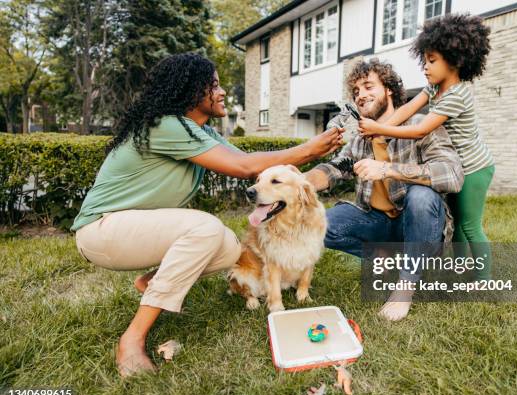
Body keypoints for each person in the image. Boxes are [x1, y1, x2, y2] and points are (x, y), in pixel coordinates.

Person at [71, 53, 343, 377]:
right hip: (101, 231)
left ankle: (153, 283)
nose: (222, 91)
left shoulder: (202, 132)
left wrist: (305, 174)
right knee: (207, 228)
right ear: (190, 90)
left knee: (229, 248)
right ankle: (131, 340)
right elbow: (246, 167)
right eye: (213, 85)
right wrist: (308, 149)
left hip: (129, 231)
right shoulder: (165, 125)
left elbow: (251, 166)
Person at [305, 58, 464, 321]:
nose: (361, 96)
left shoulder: (420, 125)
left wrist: (388, 169)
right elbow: (333, 169)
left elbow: (452, 174)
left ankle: (406, 286)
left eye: (368, 87)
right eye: (356, 91)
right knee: (319, 223)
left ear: (389, 89)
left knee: (421, 196)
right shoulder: (361, 138)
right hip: (378, 221)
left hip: (419, 224)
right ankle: (384, 255)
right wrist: (296, 183)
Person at [358, 14, 495, 281]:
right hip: (454, 166)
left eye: (432, 60)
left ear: (455, 60)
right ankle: (460, 268)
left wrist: (379, 129)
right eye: (425, 60)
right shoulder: (434, 88)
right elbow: (408, 108)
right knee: (455, 224)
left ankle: (484, 279)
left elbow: (421, 129)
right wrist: (380, 133)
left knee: (469, 224)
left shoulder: (458, 94)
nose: (426, 66)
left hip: (475, 168)